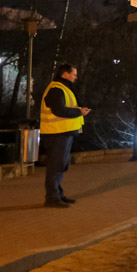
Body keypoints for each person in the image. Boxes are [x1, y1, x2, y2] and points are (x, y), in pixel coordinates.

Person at [39, 63, 91, 208]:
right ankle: (52, 197)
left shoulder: (63, 88)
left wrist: (79, 110)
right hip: (56, 133)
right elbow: (59, 110)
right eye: (74, 74)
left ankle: (58, 194)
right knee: (56, 166)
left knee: (61, 165)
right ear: (65, 74)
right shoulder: (56, 89)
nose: (76, 77)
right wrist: (79, 112)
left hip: (63, 132)